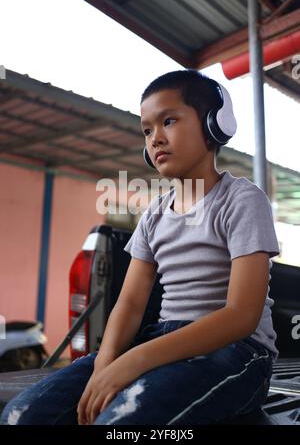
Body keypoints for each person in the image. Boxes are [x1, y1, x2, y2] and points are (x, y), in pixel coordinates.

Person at [0, 70, 280, 426]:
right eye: (147, 131)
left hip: (239, 353)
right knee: (20, 416)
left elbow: (242, 316)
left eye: (169, 121)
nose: (155, 138)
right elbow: (130, 304)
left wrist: (133, 362)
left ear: (214, 125)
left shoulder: (241, 200)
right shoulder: (154, 214)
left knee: (122, 424)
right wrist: (104, 368)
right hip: (162, 340)